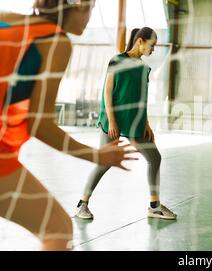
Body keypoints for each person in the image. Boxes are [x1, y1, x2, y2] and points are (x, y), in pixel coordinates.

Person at [0, 0, 137, 250]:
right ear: (77, 6)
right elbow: (39, 123)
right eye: (91, 10)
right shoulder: (55, 41)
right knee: (57, 228)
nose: (90, 18)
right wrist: (96, 155)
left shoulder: (5, 17)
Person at [75, 27, 177, 220]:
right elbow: (107, 92)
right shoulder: (117, 60)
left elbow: (142, 98)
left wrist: (146, 122)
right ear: (140, 41)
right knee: (104, 162)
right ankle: (83, 204)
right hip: (113, 118)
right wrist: (113, 121)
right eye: (152, 45)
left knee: (154, 158)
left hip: (134, 120)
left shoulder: (144, 68)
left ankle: (154, 206)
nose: (153, 49)